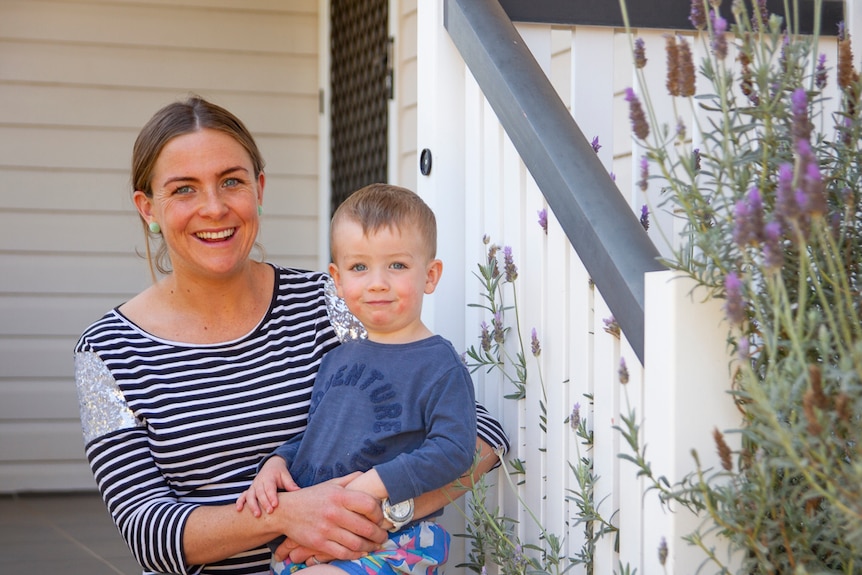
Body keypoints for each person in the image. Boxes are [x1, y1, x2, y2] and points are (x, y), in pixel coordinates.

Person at [73, 96, 510, 575]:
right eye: (184, 190)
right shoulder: (108, 351)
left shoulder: (333, 300)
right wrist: (287, 517)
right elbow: (147, 533)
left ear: (259, 189)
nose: (214, 208)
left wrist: (376, 517)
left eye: (231, 182)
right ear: (148, 208)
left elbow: (480, 436)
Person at [238, 184, 477, 575]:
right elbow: (322, 434)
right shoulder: (336, 358)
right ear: (336, 278)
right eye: (359, 267)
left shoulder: (438, 363)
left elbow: (454, 449)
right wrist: (278, 461)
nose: (377, 282)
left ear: (430, 275)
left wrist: (370, 485)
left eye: (397, 265)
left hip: (392, 541)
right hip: (314, 539)